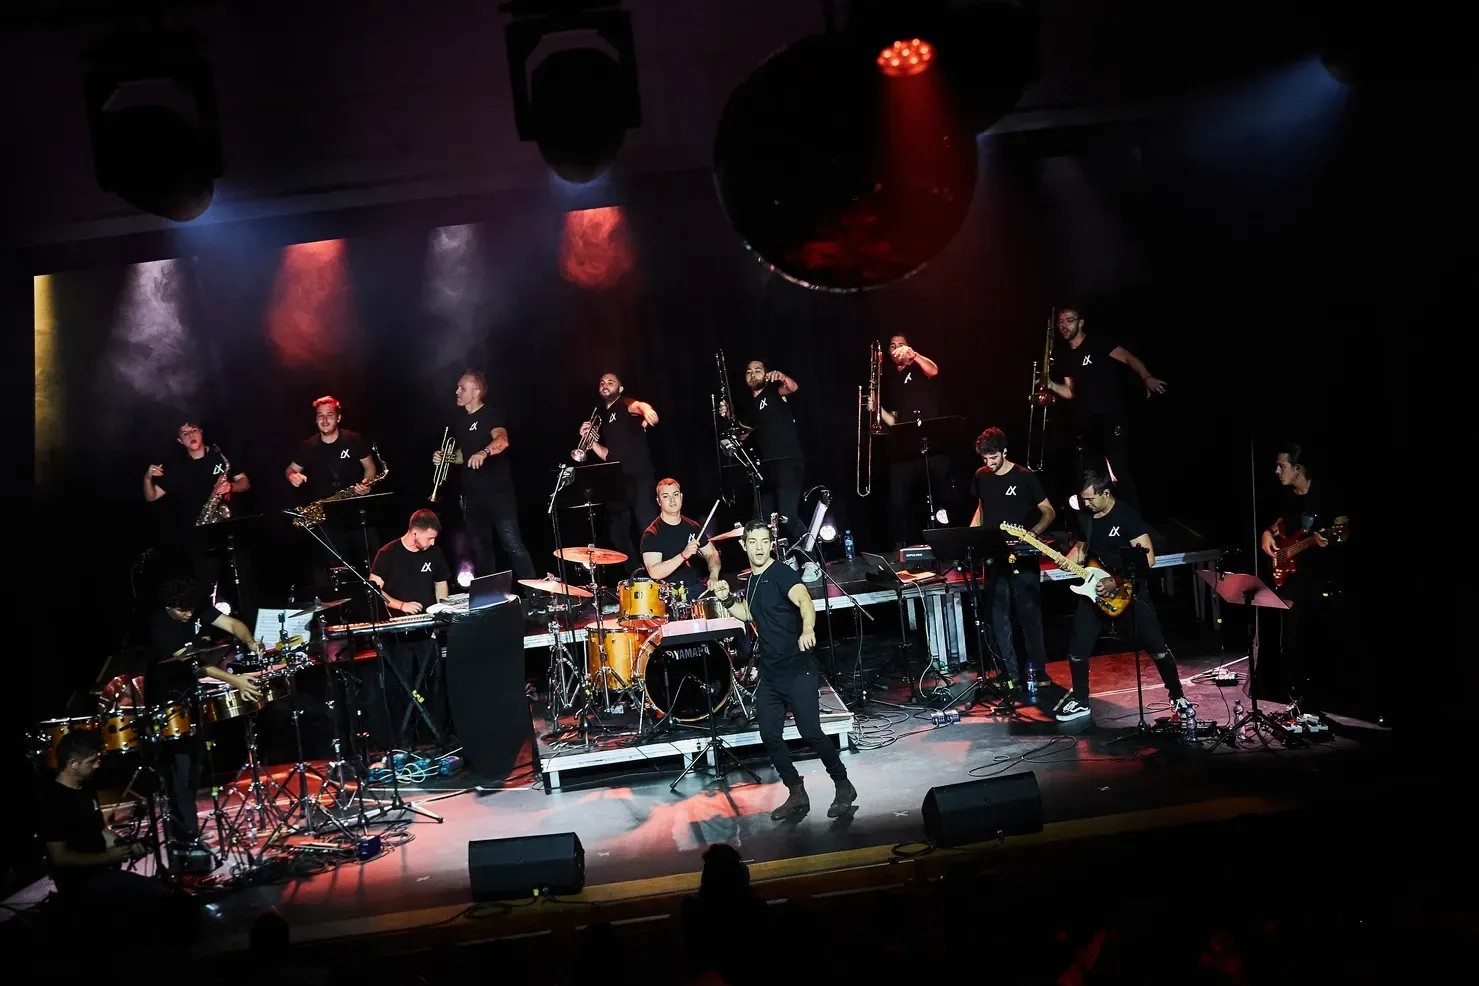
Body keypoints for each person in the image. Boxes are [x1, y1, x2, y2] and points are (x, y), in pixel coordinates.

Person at [711, 522, 857, 820]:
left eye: (765, 541)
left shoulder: (781, 574)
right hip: (771, 674)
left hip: (797, 668)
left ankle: (843, 785)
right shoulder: (752, 580)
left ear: (771, 544)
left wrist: (807, 629)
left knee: (811, 732)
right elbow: (750, 614)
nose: (760, 547)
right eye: (753, 542)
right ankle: (796, 792)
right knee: (770, 736)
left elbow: (804, 600)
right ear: (744, 546)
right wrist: (727, 600)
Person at [38, 730, 198, 951]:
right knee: (162, 903)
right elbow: (59, 857)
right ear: (73, 764)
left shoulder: (85, 790)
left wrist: (125, 846)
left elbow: (101, 830)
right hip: (81, 885)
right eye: (92, 761)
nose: (97, 765)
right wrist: (107, 856)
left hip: (105, 873)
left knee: (172, 897)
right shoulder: (53, 802)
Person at [1054, 469, 1191, 724]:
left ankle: (1178, 695)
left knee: (1157, 648)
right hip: (1094, 591)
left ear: (1106, 493)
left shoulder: (1126, 516)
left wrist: (1114, 581)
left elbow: (1148, 558)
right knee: (1076, 649)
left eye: (1091, 499)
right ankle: (1081, 700)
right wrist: (1066, 560)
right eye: (1083, 500)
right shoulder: (1088, 518)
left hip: (1129, 591)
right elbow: (1082, 549)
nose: (1086, 504)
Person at [147, 577, 263, 852]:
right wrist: (235, 681)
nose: (188, 615)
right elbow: (194, 664)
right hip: (165, 701)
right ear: (168, 606)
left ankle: (187, 833)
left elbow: (232, 624)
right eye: (181, 610)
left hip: (189, 696)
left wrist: (250, 642)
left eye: (190, 609)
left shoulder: (194, 607)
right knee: (179, 770)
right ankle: (185, 842)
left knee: (194, 768)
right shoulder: (159, 624)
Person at [1038, 306, 1167, 510]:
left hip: (1109, 416)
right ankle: (1095, 526)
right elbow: (1070, 391)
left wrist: (1147, 378)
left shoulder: (1097, 343)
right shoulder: (1066, 356)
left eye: (1068, 320)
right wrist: (1051, 385)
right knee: (1088, 474)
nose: (1063, 325)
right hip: (1085, 422)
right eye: (1060, 322)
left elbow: (1128, 358)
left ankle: (1134, 523)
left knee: (1119, 472)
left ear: (1080, 323)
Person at [1259, 442, 1349, 709]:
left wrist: (1332, 539)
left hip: (1322, 576)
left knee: (1319, 638)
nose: (1277, 471)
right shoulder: (1287, 497)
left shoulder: (1327, 495)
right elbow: (1278, 526)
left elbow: (1343, 530)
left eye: (1282, 466)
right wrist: (1267, 533)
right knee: (1290, 638)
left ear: (1298, 469)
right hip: (1293, 579)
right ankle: (1295, 693)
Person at [969, 427, 1056, 700]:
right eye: (985, 459)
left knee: (1029, 615)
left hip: (1023, 555)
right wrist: (970, 537)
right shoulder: (981, 477)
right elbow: (982, 509)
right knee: (998, 618)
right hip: (995, 557)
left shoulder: (1025, 477)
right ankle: (1010, 673)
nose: (989, 463)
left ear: (1005, 452)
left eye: (993, 457)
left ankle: (1039, 670)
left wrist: (1034, 533)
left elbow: (1048, 511)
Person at [435, 370, 535, 581]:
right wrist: (446, 458)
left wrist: (484, 451)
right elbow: (463, 455)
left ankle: (536, 595)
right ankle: (491, 600)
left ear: (477, 391)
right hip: (472, 497)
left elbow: (502, 440)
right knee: (480, 549)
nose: (457, 391)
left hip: (498, 495)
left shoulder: (491, 415)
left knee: (512, 544)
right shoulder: (460, 422)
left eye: (462, 388)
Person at [369, 509, 451, 748]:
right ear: (415, 532)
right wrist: (400, 605)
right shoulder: (388, 553)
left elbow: (441, 583)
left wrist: (440, 610)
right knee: (403, 686)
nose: (432, 542)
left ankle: (439, 738)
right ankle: (404, 741)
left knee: (434, 684)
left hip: (428, 631)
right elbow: (374, 588)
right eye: (429, 538)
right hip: (398, 634)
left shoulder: (434, 554)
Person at [720, 362, 813, 572]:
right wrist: (727, 417)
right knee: (759, 520)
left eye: (758, 370)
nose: (753, 374)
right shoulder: (752, 407)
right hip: (768, 469)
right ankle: (780, 562)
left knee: (788, 514)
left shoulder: (774, 392)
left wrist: (782, 376)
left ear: (765, 374)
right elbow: (743, 433)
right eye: (749, 371)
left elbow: (793, 387)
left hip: (788, 462)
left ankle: (812, 561)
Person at [143, 418, 251, 591]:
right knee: (208, 588)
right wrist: (147, 478)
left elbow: (245, 483)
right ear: (180, 441)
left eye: (193, 430)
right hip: (200, 536)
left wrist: (231, 486)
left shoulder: (221, 456)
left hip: (230, 531)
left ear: (201, 432)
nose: (190, 435)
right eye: (185, 433)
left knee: (241, 584)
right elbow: (152, 496)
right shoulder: (178, 469)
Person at [284, 396, 380, 589]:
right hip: (327, 518)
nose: (325, 420)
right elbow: (290, 469)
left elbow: (370, 467)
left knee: (374, 562)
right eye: (320, 416)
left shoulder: (353, 439)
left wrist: (367, 483)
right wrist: (293, 476)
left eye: (330, 415)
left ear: (338, 418)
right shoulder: (309, 445)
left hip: (357, 509)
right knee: (336, 568)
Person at [572, 373, 659, 564]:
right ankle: (637, 574)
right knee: (617, 535)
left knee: (647, 529)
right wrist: (591, 441)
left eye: (610, 382)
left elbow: (638, 405)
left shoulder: (623, 403)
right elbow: (608, 455)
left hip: (639, 477)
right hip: (618, 481)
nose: (605, 385)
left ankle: (659, 576)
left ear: (620, 389)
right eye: (602, 382)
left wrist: (647, 410)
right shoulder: (602, 416)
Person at [880, 333, 952, 547]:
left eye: (901, 344)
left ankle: (946, 543)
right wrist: (878, 410)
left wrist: (914, 355)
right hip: (905, 447)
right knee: (898, 501)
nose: (897, 348)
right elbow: (894, 421)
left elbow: (934, 370)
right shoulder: (891, 381)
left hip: (932, 443)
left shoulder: (919, 367)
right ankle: (900, 547)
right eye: (893, 346)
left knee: (939, 496)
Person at [640, 479, 721, 603]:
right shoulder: (652, 534)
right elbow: (655, 572)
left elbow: (712, 554)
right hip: (668, 596)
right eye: (666, 496)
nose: (672, 500)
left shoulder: (693, 527)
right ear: (658, 501)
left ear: (681, 497)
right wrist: (684, 554)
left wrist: (714, 576)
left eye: (675, 494)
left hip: (695, 591)